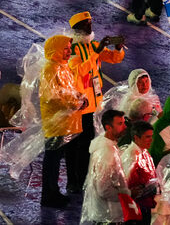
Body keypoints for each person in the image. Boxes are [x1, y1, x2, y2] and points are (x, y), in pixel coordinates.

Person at [67, 11, 125, 192]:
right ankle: (73, 181)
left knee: (86, 144)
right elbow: (79, 71)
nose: (90, 27)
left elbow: (114, 58)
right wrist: (96, 53)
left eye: (91, 23)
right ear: (77, 29)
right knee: (75, 145)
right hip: (78, 105)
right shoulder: (72, 49)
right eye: (86, 24)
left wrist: (118, 48)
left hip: (93, 103)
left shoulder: (93, 45)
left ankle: (82, 178)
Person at [39, 34, 87, 209]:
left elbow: (70, 89)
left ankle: (53, 192)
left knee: (56, 159)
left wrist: (80, 97)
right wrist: (77, 102)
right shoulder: (50, 69)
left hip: (65, 121)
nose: (69, 51)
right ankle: (48, 195)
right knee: (52, 159)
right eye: (65, 48)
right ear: (57, 49)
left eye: (69, 48)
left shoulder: (62, 67)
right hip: (55, 122)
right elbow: (52, 96)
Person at [80, 109, 133, 225]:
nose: (124, 127)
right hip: (108, 215)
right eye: (120, 124)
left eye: (124, 123)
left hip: (103, 212)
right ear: (108, 127)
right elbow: (104, 189)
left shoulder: (104, 143)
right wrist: (125, 195)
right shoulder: (107, 152)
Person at [122, 120, 159, 224]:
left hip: (145, 205)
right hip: (135, 209)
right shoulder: (131, 157)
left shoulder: (144, 151)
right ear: (136, 138)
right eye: (147, 137)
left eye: (151, 136)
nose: (151, 140)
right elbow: (125, 188)